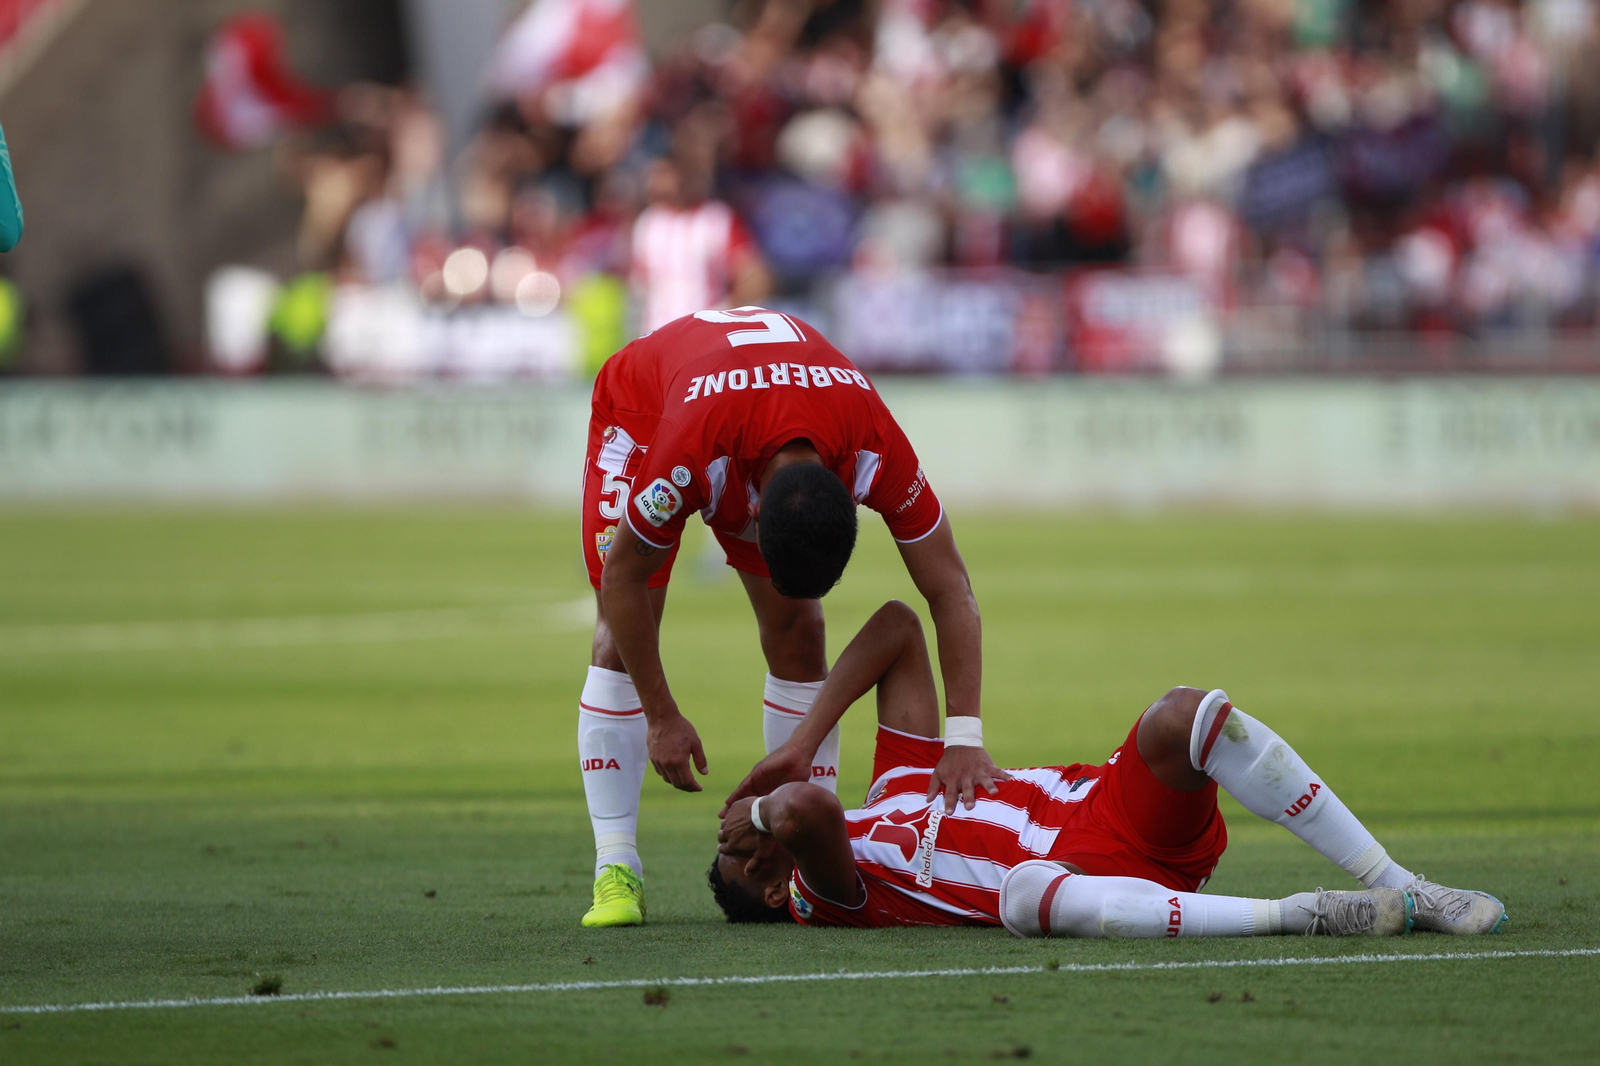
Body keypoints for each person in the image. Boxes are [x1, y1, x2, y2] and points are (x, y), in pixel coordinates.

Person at [711, 601, 1506, 939]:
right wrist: (759, 813)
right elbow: (803, 812)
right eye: (737, 858)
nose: (737, 835)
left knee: (1185, 713)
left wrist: (804, 738)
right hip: (1081, 882)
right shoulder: (825, 893)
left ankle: (1408, 885)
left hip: (1108, 810)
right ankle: (1303, 914)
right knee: (1024, 895)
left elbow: (898, 627)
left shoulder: (891, 789)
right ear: (773, 888)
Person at [578, 308, 1002, 927]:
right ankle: (616, 867)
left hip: (759, 414)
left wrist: (965, 738)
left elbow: (951, 587)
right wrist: (662, 715)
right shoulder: (687, 454)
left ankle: (809, 851)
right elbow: (623, 578)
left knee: (802, 630)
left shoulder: (872, 440)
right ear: (751, 513)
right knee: (619, 640)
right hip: (645, 415)